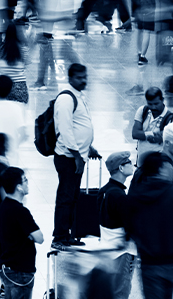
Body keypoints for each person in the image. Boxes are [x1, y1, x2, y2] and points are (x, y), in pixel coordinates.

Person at [52, 63, 101, 248]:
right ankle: (59, 237)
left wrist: (89, 147)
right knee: (65, 198)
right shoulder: (66, 98)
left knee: (73, 197)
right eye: (79, 77)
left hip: (77, 156)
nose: (83, 80)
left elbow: (79, 126)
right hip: (68, 158)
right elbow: (65, 130)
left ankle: (68, 234)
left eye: (84, 76)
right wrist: (78, 157)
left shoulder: (78, 96)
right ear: (70, 78)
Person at [126, 152, 173, 299]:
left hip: (149, 262)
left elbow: (130, 227)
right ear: (161, 169)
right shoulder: (171, 193)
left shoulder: (137, 195)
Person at [0, 167, 43, 299]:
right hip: (20, 271)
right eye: (25, 180)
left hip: (9, 267)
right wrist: (29, 235)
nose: (27, 182)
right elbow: (39, 238)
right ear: (19, 187)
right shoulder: (20, 212)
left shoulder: (5, 205)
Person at [98, 151, 136, 299]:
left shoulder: (104, 191)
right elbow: (130, 226)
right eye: (129, 163)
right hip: (123, 253)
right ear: (121, 168)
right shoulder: (119, 195)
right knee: (121, 291)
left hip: (107, 249)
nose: (132, 165)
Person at [0, 76, 27, 163]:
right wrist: (13, 146)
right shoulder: (18, 108)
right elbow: (23, 135)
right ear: (10, 89)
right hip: (10, 159)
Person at [133, 87, 172, 165]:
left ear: (162, 100)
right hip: (141, 162)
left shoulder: (170, 117)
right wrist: (154, 134)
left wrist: (143, 134)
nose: (153, 107)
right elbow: (135, 134)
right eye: (150, 104)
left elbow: (167, 139)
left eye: (156, 104)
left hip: (159, 164)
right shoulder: (142, 110)